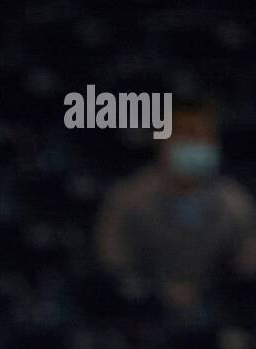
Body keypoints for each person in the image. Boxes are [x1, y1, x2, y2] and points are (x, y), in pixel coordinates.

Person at [95, 97, 256, 312]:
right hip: (143, 313)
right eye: (183, 135)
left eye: (201, 136)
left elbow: (247, 268)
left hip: (215, 313)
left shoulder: (236, 203)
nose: (193, 144)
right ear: (160, 141)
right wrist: (160, 290)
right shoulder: (126, 200)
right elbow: (114, 265)